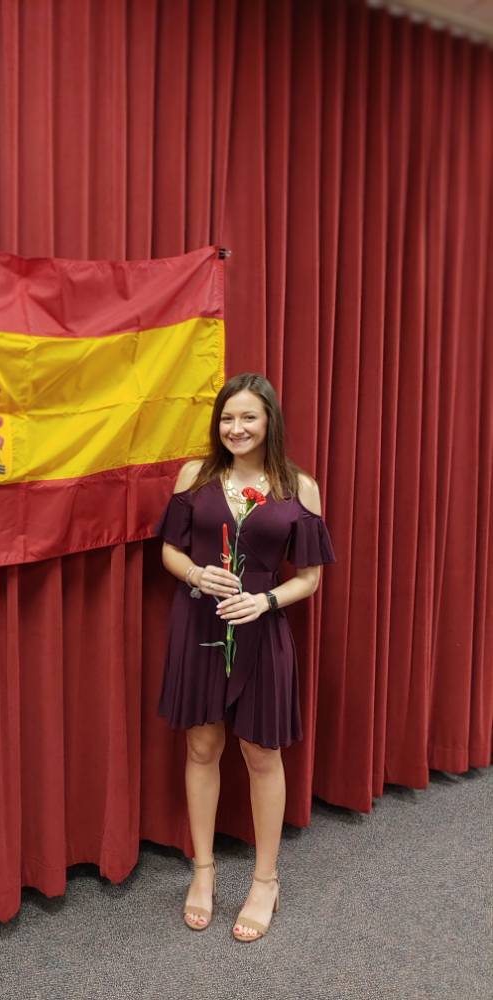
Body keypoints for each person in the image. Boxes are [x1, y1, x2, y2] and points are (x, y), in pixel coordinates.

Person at [157, 372, 336, 941]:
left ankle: (265, 880)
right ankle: (203, 872)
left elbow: (309, 578)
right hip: (198, 622)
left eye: (248, 418)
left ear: (269, 422)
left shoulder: (297, 486)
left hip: (262, 629)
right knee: (201, 744)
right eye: (227, 418)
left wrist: (264, 600)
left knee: (262, 753)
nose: (235, 428)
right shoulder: (196, 476)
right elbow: (168, 549)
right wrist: (195, 572)